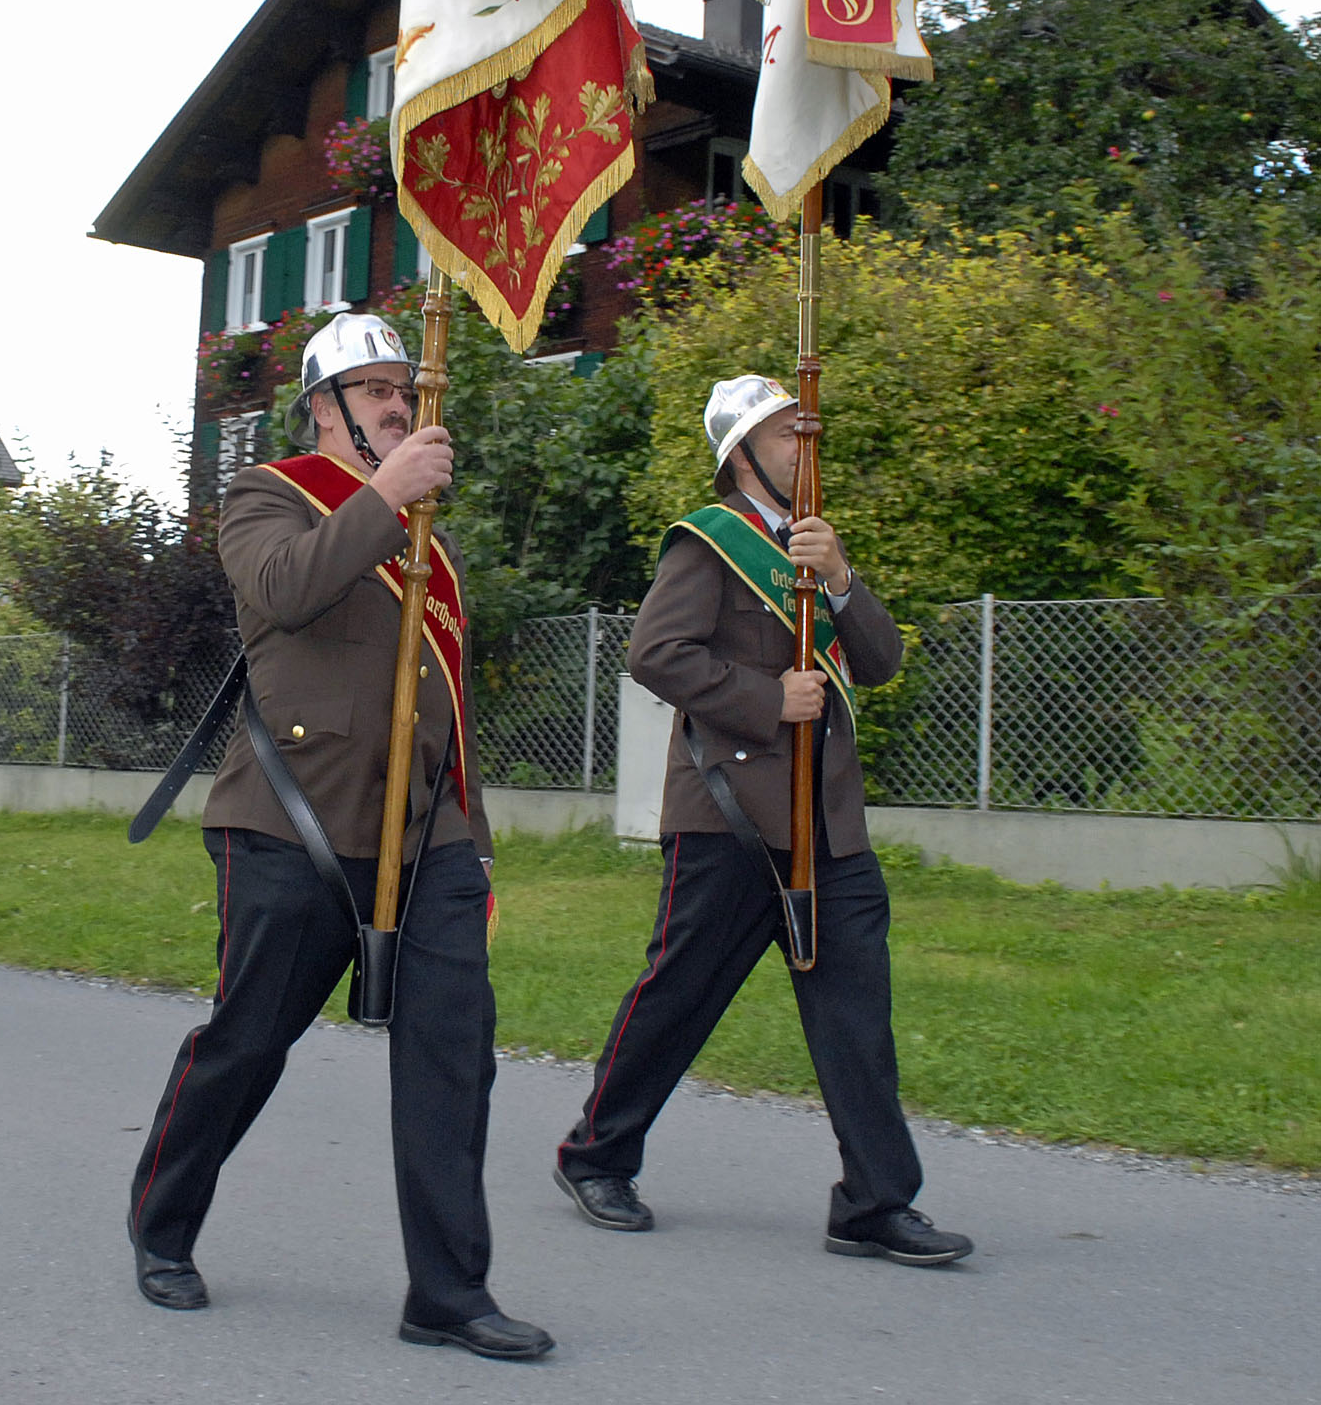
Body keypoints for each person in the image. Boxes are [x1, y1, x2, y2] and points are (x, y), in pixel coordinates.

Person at [128, 312, 553, 1361]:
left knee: (454, 1053)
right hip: (292, 822)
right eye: (375, 390)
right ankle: (163, 1223)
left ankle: (447, 1292)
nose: (400, 404)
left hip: (427, 834)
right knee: (248, 1042)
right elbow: (285, 588)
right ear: (324, 407)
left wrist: (472, 836)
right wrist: (386, 495)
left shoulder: (427, 537)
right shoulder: (267, 494)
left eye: (405, 389)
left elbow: (446, 706)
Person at [555, 374, 972, 1267]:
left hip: (828, 825)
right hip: (730, 817)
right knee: (678, 997)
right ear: (741, 454)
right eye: (785, 433)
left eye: (803, 430)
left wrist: (843, 578)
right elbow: (654, 653)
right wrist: (765, 697)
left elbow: (882, 661)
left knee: (857, 1017)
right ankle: (595, 1155)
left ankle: (874, 1201)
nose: (803, 445)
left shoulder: (815, 545)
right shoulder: (708, 543)